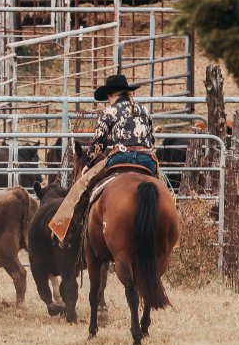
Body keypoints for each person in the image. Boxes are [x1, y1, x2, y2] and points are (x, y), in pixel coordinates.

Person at [46, 72, 158, 241]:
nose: (108, 100)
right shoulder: (144, 109)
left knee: (81, 185)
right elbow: (151, 140)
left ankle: (62, 228)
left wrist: (88, 164)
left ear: (112, 94)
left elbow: (98, 145)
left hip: (121, 158)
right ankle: (173, 235)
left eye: (108, 97)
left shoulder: (109, 112)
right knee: (164, 189)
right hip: (147, 160)